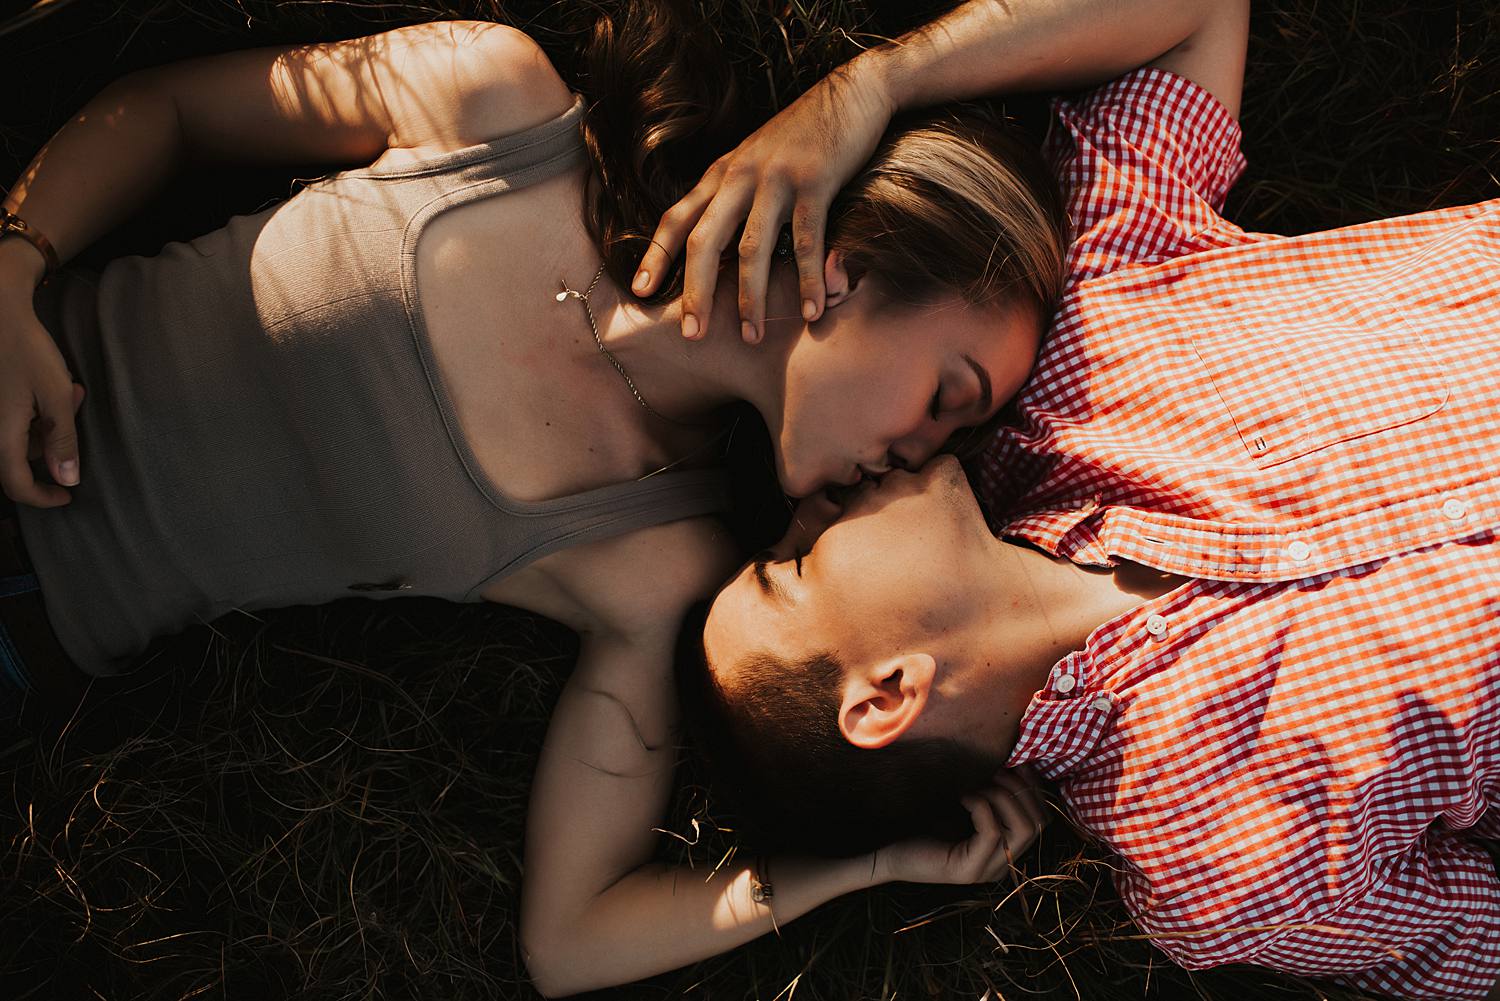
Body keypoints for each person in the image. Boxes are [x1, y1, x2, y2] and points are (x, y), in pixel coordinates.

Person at [652, 2, 1500, 999]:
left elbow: (1195, 12)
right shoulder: (1212, 862)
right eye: (792, 562)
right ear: (887, 694)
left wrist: (877, 83)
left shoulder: (1074, 338)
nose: (807, 506)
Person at [0, 2, 1067, 714]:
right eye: (949, 395)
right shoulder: (494, 106)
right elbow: (167, 113)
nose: (928, 456)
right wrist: (11, 275)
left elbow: (568, 939)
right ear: (849, 268)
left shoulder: (657, 557)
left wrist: (872, 865)